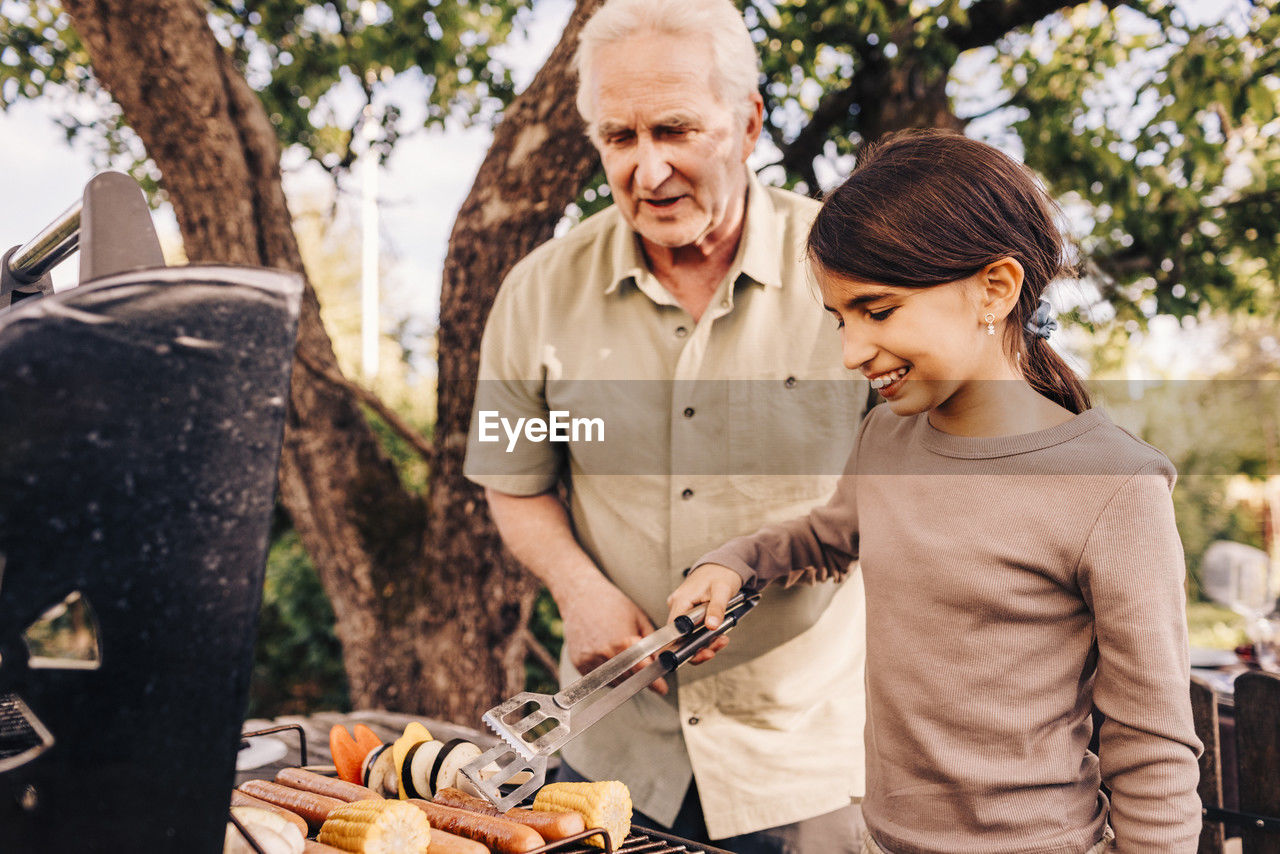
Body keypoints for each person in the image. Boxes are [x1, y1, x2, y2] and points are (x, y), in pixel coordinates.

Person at [667, 130, 1203, 854]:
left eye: (878, 311)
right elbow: (827, 536)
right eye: (839, 319)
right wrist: (732, 562)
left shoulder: (1114, 488)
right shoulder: (886, 441)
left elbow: (1152, 752)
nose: (852, 351)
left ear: (995, 288)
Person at [463, 0, 870, 850]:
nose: (648, 172)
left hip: (813, 760)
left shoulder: (858, 270)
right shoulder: (535, 293)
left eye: (677, 131)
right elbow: (513, 484)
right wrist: (578, 589)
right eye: (621, 138)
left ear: (749, 122)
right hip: (619, 763)